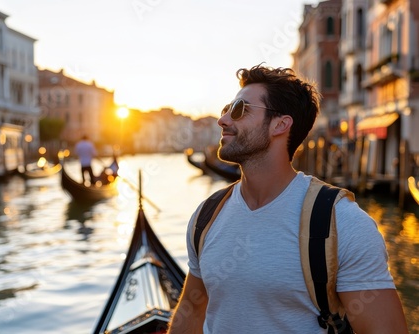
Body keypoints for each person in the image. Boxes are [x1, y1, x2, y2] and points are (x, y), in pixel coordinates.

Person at [168, 64, 408, 333]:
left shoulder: (343, 224)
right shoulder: (206, 216)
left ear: (280, 125)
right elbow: (191, 310)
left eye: (240, 110)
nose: (223, 120)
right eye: (226, 109)